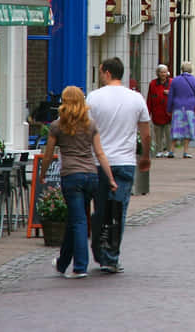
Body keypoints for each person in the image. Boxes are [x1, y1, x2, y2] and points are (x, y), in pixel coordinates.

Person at [41, 86, 118, 279]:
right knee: (75, 220)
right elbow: (99, 153)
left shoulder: (57, 126)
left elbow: (49, 153)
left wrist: (43, 173)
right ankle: (62, 263)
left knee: (79, 221)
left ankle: (80, 267)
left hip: (71, 176)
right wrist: (109, 178)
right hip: (91, 176)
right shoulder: (90, 125)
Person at [87, 57, 151, 273]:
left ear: (105, 72)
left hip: (98, 161)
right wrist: (146, 156)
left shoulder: (94, 98)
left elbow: (86, 130)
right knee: (118, 210)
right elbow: (146, 132)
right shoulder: (136, 98)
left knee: (100, 208)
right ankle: (111, 257)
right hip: (125, 162)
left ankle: (99, 251)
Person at [167, 62, 195, 159]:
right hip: (190, 108)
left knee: (176, 129)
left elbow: (171, 96)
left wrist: (169, 108)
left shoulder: (175, 80)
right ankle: (185, 152)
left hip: (177, 107)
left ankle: (171, 150)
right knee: (188, 130)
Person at [147, 65, 172, 158]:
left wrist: (170, 93)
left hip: (168, 113)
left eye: (165, 72)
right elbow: (149, 99)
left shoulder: (171, 83)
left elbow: (176, 96)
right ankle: (159, 150)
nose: (163, 74)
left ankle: (169, 150)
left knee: (168, 133)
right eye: (161, 72)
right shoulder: (153, 83)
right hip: (157, 113)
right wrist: (147, 113)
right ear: (158, 73)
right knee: (158, 134)